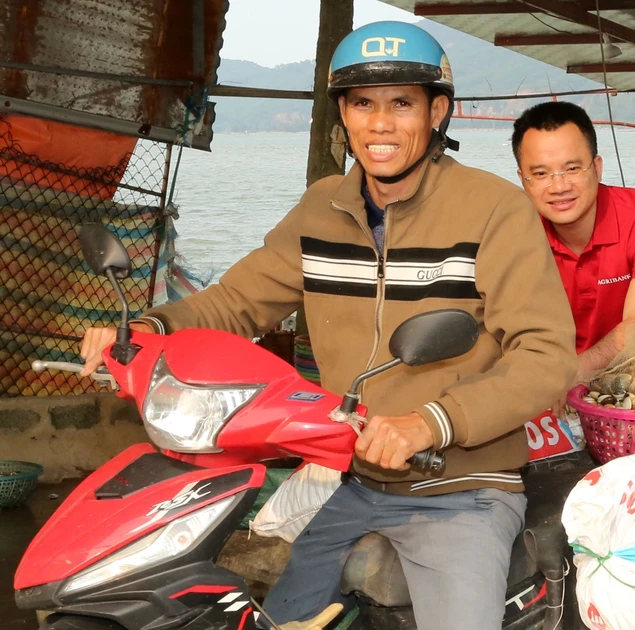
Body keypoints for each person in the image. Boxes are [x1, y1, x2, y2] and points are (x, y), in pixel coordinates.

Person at [79, 21, 577, 630]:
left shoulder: (494, 209)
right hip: (358, 483)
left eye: (402, 104)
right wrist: (151, 329)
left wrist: (430, 422)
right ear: (343, 114)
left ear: (438, 111)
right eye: (362, 103)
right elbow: (239, 300)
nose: (381, 123)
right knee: (280, 617)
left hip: (465, 488)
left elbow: (546, 355)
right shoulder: (323, 207)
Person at [511, 101, 635, 388]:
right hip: (552, 380)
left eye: (572, 168)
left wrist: (569, 374)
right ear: (523, 180)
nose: (559, 186)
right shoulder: (513, 233)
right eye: (541, 174)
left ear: (597, 167)